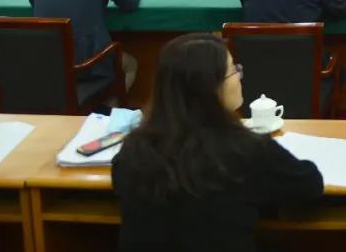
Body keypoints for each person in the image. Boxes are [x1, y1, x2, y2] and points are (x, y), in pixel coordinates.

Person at [113, 33, 323, 252]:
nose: (239, 77)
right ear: (212, 87)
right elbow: (309, 185)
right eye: (233, 70)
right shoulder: (247, 149)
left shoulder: (133, 149)